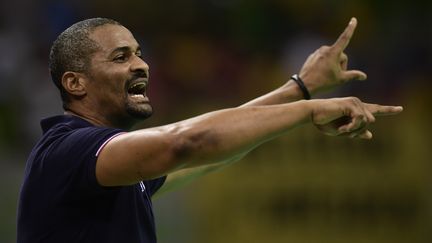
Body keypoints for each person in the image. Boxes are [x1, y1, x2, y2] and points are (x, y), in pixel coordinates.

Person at [17, 17, 402, 243]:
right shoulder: (67, 152)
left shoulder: (111, 169)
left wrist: (298, 88)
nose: (142, 65)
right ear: (75, 84)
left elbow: (211, 153)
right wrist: (309, 109)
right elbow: (190, 141)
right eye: (121, 57)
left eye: (139, 52)